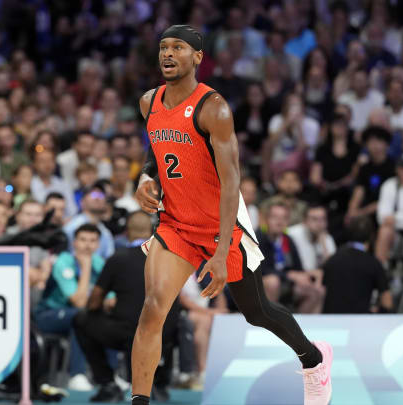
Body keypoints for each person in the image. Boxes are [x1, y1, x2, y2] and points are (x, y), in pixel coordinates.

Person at [131, 25, 331, 405]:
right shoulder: (148, 102)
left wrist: (221, 252)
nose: (168, 54)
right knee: (153, 308)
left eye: (178, 48)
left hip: (220, 221)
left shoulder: (214, 108)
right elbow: (155, 148)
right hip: (174, 222)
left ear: (198, 58)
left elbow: (232, 182)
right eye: (163, 47)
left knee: (257, 311)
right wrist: (145, 175)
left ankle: (314, 360)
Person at [74, 211, 178, 402]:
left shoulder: (118, 258)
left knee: (81, 319)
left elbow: (94, 301)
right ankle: (159, 384)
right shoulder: (169, 258)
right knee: (172, 322)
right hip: (164, 331)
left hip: (128, 332)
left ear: (127, 232)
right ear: (152, 231)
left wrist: (105, 306)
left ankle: (107, 383)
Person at [35, 223, 104, 392]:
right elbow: (79, 302)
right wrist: (86, 267)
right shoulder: (63, 262)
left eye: (92, 240)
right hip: (47, 315)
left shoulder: (100, 263)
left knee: (107, 318)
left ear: (98, 245)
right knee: (80, 316)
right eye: (82, 240)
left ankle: (108, 376)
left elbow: (110, 299)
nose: (87, 245)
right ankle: (77, 375)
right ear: (74, 242)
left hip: (79, 315)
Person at [322, 216, 393, 313]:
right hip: (361, 321)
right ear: (372, 236)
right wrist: (377, 311)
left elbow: (321, 291)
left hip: (330, 322)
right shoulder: (373, 263)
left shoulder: (332, 260)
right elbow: (387, 303)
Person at [63, 186, 115, 259]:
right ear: (82, 202)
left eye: (101, 195)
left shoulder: (106, 232)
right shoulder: (71, 227)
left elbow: (109, 259)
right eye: (94, 195)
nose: (98, 198)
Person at [288, 205, 337, 274]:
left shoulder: (327, 239)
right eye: (314, 219)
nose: (319, 224)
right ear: (304, 221)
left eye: (323, 219)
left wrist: (324, 245)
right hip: (296, 277)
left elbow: (332, 268)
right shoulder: (292, 234)